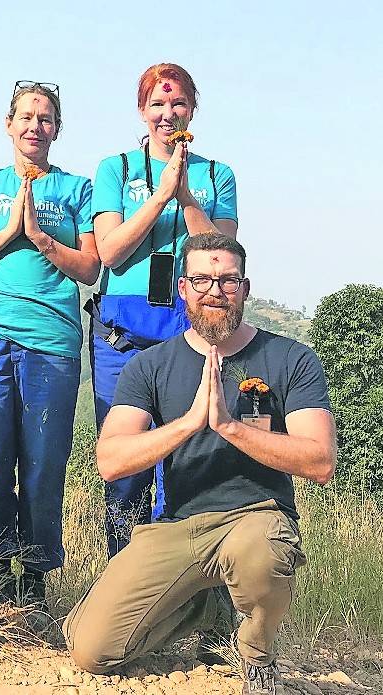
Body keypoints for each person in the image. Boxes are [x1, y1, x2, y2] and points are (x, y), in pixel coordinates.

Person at [63, 233, 335, 695]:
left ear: (245, 289)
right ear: (183, 288)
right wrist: (188, 424)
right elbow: (110, 460)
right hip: (178, 525)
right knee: (92, 649)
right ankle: (210, 608)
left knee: (262, 553)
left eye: (228, 281)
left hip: (255, 517)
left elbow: (320, 459)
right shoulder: (149, 366)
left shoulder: (290, 358)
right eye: (203, 280)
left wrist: (230, 427)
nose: (215, 291)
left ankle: (256, 656)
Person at [0, 82, 99, 611]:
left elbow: (91, 266)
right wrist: (10, 229)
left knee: (43, 458)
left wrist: (40, 238)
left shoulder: (77, 190)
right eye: (27, 117)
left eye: (47, 118)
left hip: (52, 339)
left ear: (57, 129)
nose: (36, 126)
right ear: (9, 125)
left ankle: (33, 576)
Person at [89, 62, 239, 557]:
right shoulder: (117, 170)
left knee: (186, 458)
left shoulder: (218, 174)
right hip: (123, 334)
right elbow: (109, 251)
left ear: (193, 110)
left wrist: (187, 194)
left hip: (190, 325)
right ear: (141, 110)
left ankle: (185, 586)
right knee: (129, 462)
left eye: (177, 104)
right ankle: (123, 579)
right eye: (157, 104)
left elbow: (220, 252)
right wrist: (159, 196)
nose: (168, 113)